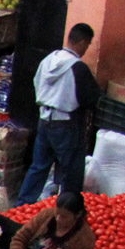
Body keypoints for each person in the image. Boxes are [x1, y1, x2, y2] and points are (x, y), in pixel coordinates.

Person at [19, 23, 98, 205]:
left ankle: (22, 205)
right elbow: (90, 98)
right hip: (66, 124)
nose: (86, 49)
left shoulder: (47, 60)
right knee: (72, 170)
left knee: (38, 166)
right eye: (87, 45)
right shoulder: (78, 68)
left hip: (44, 119)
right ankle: (69, 208)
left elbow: (36, 83)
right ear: (83, 42)